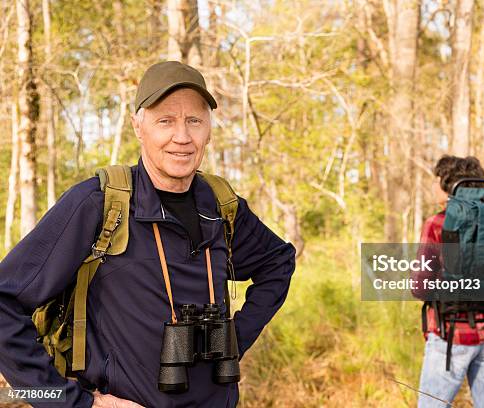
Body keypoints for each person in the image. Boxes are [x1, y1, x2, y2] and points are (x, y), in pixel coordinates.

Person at [0, 61, 296, 407]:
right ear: (138, 126)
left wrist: (235, 337)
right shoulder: (98, 205)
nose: (182, 137)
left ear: (209, 129)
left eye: (194, 120)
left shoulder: (221, 205)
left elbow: (278, 262)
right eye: (165, 120)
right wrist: (72, 403)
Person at [411, 155, 484, 408]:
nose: (434, 187)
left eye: (437, 182)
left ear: (448, 185)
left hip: (449, 335)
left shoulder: (437, 224)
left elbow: (420, 287)